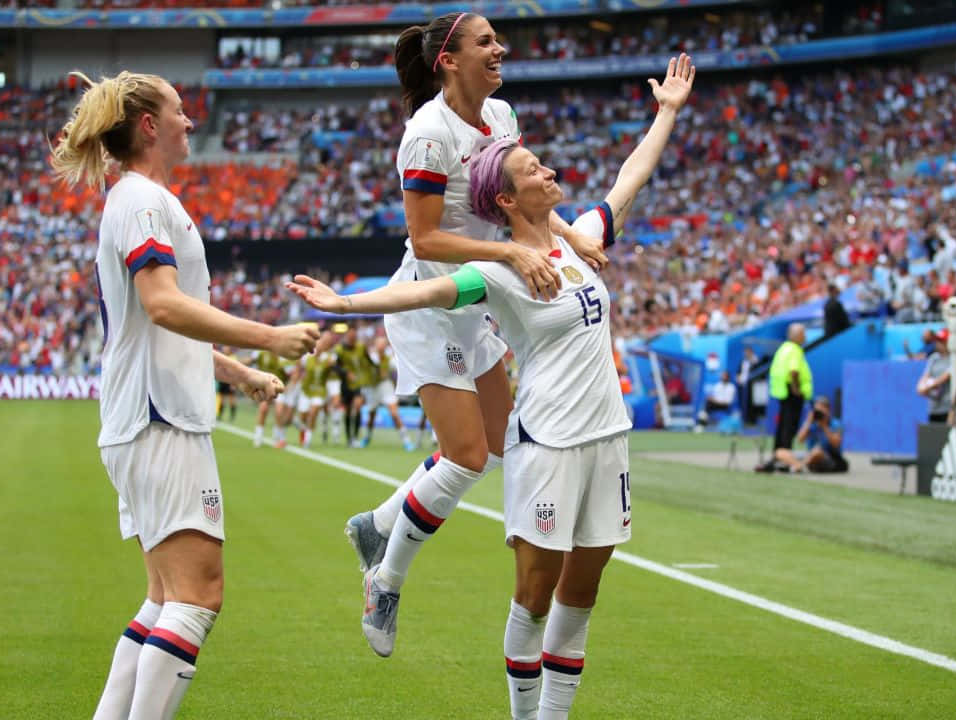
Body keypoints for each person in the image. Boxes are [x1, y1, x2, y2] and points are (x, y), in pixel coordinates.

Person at [288, 53, 693, 717]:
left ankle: (386, 533)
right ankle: (393, 565)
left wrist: (667, 113)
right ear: (505, 199)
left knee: (580, 597)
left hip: (608, 443)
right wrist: (342, 306)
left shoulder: (574, 241)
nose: (550, 169)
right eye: (534, 169)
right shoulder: (499, 271)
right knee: (532, 593)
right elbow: (430, 286)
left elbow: (629, 180)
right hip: (549, 442)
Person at [50, 70, 319, 720]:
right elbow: (164, 306)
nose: (190, 122)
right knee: (197, 597)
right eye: (179, 110)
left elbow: (161, 325)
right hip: (157, 420)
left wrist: (240, 374)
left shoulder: (139, 198)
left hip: (144, 418)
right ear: (149, 126)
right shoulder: (142, 200)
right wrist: (268, 338)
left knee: (163, 599)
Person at [341, 10, 610, 656]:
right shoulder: (427, 136)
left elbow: (523, 202)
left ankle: (378, 524)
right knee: (464, 453)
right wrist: (509, 257)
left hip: (483, 297)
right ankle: (387, 577)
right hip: (431, 306)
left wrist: (568, 236)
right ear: (449, 60)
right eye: (485, 42)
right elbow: (426, 237)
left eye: (497, 39)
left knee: (493, 447)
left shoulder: (503, 118)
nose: (500, 49)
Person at [757, 323, 812, 473]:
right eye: (803, 333)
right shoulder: (795, 350)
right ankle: (785, 458)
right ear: (797, 335)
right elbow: (794, 371)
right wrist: (796, 388)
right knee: (789, 427)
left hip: (782, 393)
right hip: (791, 393)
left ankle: (778, 455)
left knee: (783, 427)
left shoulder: (783, 349)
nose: (805, 336)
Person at [362, 335, 417, 451]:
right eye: (379, 343)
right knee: (371, 416)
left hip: (385, 387)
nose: (381, 346)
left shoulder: (390, 359)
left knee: (394, 414)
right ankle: (366, 438)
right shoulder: (371, 357)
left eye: (383, 344)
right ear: (375, 345)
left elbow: (399, 370)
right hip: (372, 388)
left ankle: (406, 441)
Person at [794, 396, 847, 473]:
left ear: (828, 410)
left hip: (830, 457)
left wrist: (824, 426)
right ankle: (796, 466)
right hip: (810, 455)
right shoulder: (811, 424)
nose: (819, 413)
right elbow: (800, 440)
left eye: (822, 409)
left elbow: (836, 444)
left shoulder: (836, 424)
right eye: (817, 410)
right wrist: (808, 422)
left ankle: (799, 466)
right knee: (780, 452)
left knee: (817, 451)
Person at [250, 349, 290, 448]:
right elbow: (251, 362)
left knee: (279, 411)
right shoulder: (260, 353)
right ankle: (258, 436)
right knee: (263, 409)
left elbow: (290, 374)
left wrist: (288, 387)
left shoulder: (283, 357)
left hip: (279, 387)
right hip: (264, 386)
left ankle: (278, 438)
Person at [916, 329, 951, 423]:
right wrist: (920, 386)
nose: (938, 344)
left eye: (942, 341)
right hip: (934, 407)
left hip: (948, 407)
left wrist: (926, 388)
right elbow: (925, 375)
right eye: (938, 341)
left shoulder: (953, 359)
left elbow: (944, 377)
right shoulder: (934, 357)